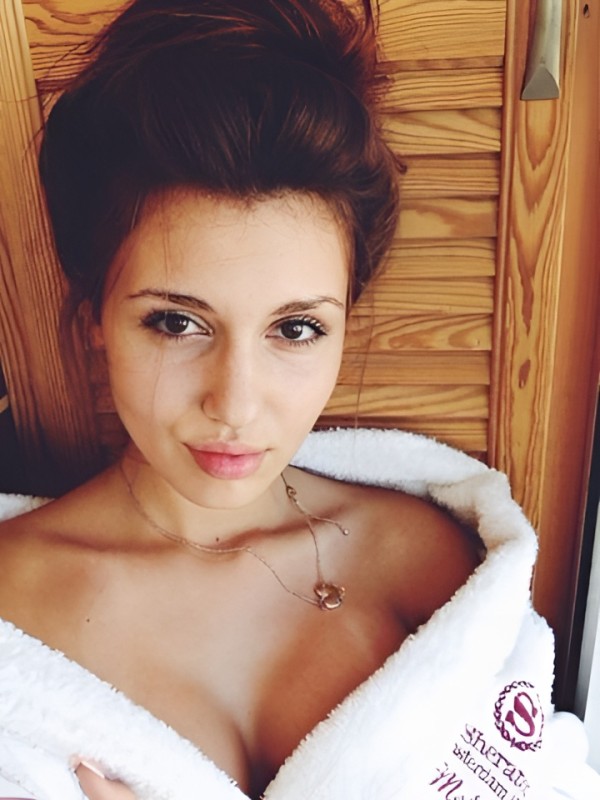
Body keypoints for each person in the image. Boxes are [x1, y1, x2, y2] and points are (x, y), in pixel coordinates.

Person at [0, 1, 598, 799]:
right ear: (95, 323)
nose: (236, 403)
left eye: (295, 329)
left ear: (346, 325)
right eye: (176, 322)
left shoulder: (424, 565)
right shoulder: (12, 602)